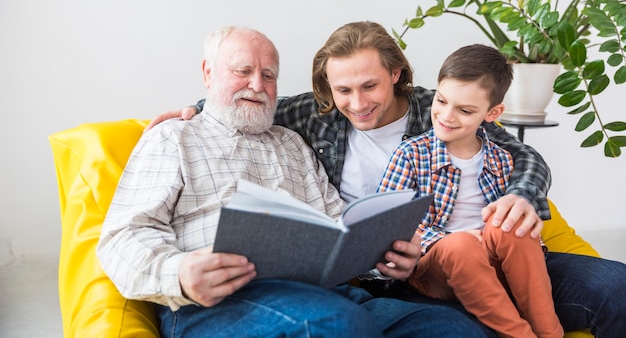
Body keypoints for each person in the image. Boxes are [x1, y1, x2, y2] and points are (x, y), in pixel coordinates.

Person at [147, 21, 626, 337]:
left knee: (614, 286)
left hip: (492, 248)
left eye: (370, 86)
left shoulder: (439, 107)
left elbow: (522, 153)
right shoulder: (314, 116)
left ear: (396, 75)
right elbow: (250, 98)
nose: (357, 103)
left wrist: (523, 194)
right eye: (343, 90)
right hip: (403, 271)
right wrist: (200, 107)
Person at [97, 25, 490, 338]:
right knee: (331, 324)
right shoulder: (173, 137)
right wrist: (179, 274)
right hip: (220, 302)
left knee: (453, 328)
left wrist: (387, 255)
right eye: (242, 71)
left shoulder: (292, 142)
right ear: (207, 73)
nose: (256, 84)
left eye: (268, 75)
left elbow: (340, 226)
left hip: (327, 294)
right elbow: (123, 235)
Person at [377, 44, 563, 338]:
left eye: (464, 110)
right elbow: (389, 221)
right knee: (461, 246)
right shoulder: (411, 154)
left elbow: (508, 233)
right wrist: (455, 238)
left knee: (512, 226)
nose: (447, 116)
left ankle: (550, 332)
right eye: (441, 101)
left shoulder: (501, 159)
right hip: (436, 267)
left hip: (490, 263)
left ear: (493, 113)